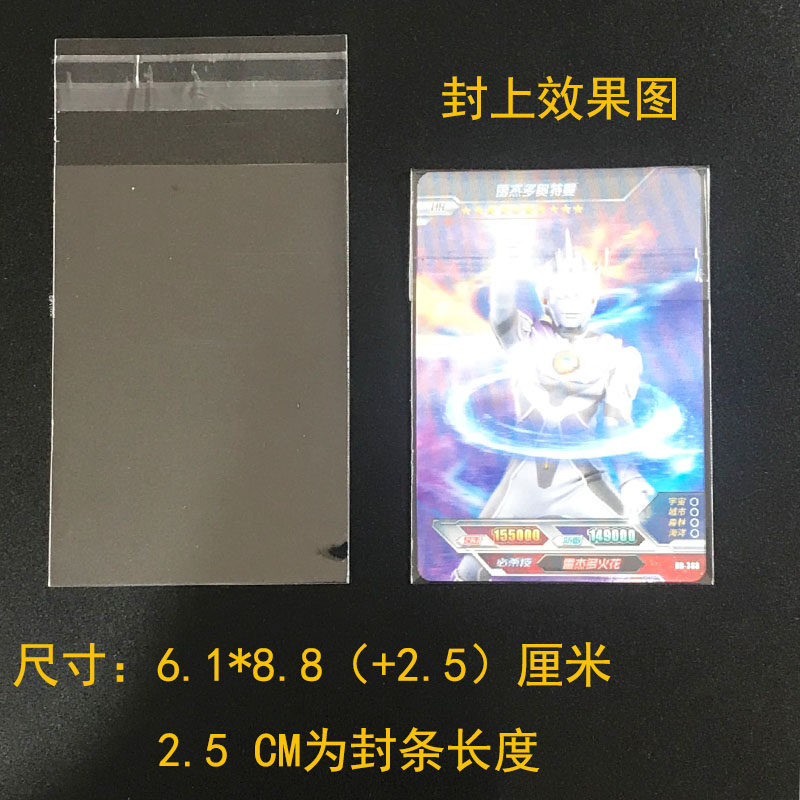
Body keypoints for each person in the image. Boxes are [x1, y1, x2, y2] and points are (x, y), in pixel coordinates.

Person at [452, 230, 655, 581]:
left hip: (583, 480)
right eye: (562, 294)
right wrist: (505, 262)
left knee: (641, 563)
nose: (571, 302)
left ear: (593, 299)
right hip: (524, 480)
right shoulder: (526, 340)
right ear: (546, 299)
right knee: (470, 571)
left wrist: (630, 478)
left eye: (579, 294)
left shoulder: (616, 354)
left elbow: (618, 421)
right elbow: (501, 313)